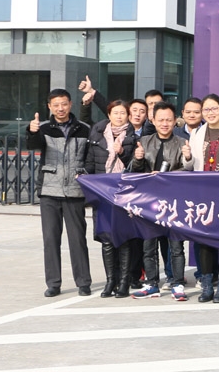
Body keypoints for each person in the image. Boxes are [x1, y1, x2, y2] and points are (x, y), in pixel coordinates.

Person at [27, 89, 93, 298]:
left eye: (64, 104)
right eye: (56, 105)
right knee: (50, 239)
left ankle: (83, 282)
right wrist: (32, 131)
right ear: (50, 106)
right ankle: (53, 283)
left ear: (70, 104)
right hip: (49, 190)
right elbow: (33, 145)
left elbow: (89, 157)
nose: (60, 108)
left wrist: (85, 175)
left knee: (77, 239)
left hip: (75, 191)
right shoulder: (44, 128)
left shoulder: (83, 129)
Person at [183, 94, 219, 303]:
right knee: (204, 241)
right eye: (206, 110)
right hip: (203, 194)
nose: (210, 113)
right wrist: (187, 156)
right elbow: (190, 165)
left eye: (214, 108)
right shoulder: (196, 134)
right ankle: (207, 286)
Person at [129, 102, 190, 301]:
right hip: (148, 201)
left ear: (175, 121)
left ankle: (178, 283)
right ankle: (152, 284)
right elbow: (134, 171)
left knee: (176, 246)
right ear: (153, 120)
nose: (165, 124)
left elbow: (188, 171)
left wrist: (171, 173)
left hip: (173, 201)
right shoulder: (144, 141)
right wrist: (138, 159)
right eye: (161, 120)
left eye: (169, 120)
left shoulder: (182, 142)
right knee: (149, 245)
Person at [83, 98, 137, 298]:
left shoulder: (133, 136)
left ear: (128, 116)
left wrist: (122, 153)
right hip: (102, 193)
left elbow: (136, 166)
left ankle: (124, 282)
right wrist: (85, 177)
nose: (119, 116)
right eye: (115, 113)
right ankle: (110, 281)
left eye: (123, 113)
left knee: (123, 239)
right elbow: (90, 162)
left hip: (124, 193)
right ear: (109, 115)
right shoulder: (97, 134)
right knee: (106, 239)